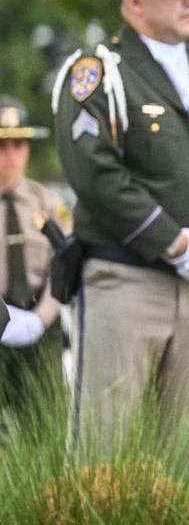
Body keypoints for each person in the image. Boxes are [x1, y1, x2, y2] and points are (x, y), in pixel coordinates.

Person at [51, 0, 189, 442]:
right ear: (134, 2)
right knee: (104, 446)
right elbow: (93, 172)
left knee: (185, 450)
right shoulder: (98, 72)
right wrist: (170, 240)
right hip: (124, 280)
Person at [0, 95, 70, 413]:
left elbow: (66, 264)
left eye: (19, 145)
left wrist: (40, 319)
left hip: (40, 327)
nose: (10, 155)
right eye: (2, 146)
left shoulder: (49, 204)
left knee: (43, 427)